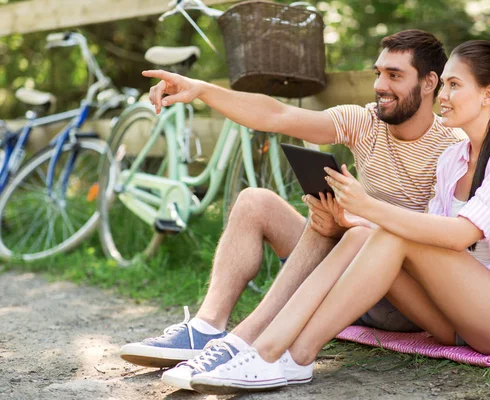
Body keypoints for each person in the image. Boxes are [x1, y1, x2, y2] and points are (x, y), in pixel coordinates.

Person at [184, 40, 490, 393]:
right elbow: (426, 240)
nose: (443, 97)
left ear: (488, 94)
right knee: (362, 235)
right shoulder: (454, 159)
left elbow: (459, 236)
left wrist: (368, 208)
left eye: (453, 86)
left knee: (386, 231)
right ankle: (278, 352)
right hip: (456, 320)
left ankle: (282, 354)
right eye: (444, 86)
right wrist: (355, 222)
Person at [119, 30, 465, 388]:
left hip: (403, 299)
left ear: (429, 83)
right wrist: (203, 90)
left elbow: (446, 241)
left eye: (394, 75)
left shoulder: (453, 148)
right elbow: (277, 114)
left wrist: (356, 220)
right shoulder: (365, 122)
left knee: (360, 231)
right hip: (344, 269)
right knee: (256, 201)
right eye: (378, 73)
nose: (379, 84)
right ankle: (206, 329)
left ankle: (247, 340)